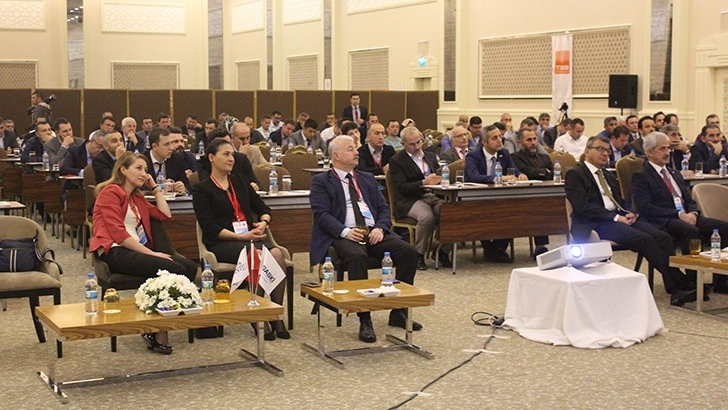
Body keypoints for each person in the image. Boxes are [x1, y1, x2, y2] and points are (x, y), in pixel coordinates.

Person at [310, 135, 420, 343]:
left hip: (372, 232)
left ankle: (399, 311)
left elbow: (383, 208)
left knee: (408, 253)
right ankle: (365, 318)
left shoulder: (366, 178)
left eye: (355, 148)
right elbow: (322, 215)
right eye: (350, 149)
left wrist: (380, 227)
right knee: (357, 256)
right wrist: (345, 231)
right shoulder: (321, 182)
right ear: (336, 155)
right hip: (342, 234)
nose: (356, 152)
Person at [564, 136, 697, 306]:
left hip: (618, 218)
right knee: (644, 239)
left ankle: (677, 283)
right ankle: (678, 285)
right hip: (596, 223)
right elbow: (583, 206)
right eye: (600, 149)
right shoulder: (576, 174)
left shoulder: (607, 174)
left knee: (661, 236)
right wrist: (615, 217)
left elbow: (621, 201)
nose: (605, 154)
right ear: (587, 151)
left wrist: (630, 212)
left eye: (607, 151)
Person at [90, 152, 198, 354]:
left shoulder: (137, 198)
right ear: (123, 170)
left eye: (146, 170)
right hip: (114, 251)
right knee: (173, 268)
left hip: (135, 250)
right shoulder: (110, 192)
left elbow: (165, 214)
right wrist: (152, 254)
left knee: (190, 267)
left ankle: (160, 319)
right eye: (138, 168)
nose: (144, 173)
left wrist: (155, 188)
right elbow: (119, 234)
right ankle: (158, 331)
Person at [192, 138, 289, 340]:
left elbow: (262, 208)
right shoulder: (202, 189)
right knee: (258, 255)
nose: (231, 158)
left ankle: (275, 313)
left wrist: (263, 222)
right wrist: (240, 236)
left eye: (232, 154)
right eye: (226, 154)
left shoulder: (240, 181)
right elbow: (209, 227)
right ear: (211, 158)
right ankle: (257, 315)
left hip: (250, 238)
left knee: (277, 254)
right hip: (223, 242)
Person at [632, 132, 728, 292]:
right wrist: (678, 215)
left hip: (687, 215)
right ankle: (693, 280)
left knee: (724, 228)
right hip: (665, 218)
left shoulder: (674, 173)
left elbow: (689, 200)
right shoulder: (641, 176)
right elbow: (645, 207)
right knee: (690, 231)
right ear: (649, 152)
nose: (667, 152)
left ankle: (721, 281)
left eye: (668, 148)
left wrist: (693, 213)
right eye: (662, 149)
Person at [389, 126, 452, 269]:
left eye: (419, 142)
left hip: (433, 195)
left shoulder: (430, 156)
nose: (417, 147)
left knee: (451, 213)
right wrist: (423, 182)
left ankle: (442, 251)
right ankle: (418, 255)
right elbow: (401, 187)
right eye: (412, 144)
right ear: (403, 144)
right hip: (410, 199)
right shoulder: (397, 160)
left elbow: (438, 174)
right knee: (426, 217)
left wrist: (440, 179)